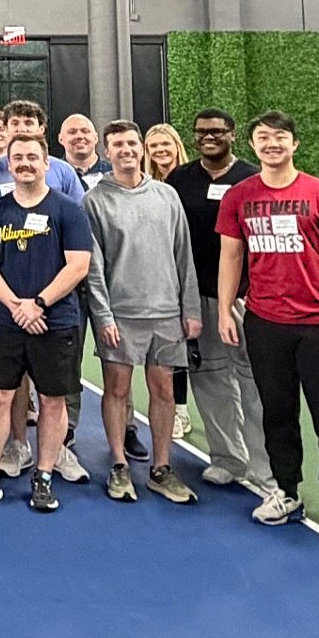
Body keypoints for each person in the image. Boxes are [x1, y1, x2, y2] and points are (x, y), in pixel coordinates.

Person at [216, 110, 319, 544]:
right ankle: (286, 490)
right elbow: (231, 256)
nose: (272, 144)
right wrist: (225, 309)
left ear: (294, 144)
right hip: (265, 324)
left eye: (280, 137)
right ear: (253, 145)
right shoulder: (239, 196)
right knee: (276, 413)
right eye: (263, 137)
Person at [0, 131, 94, 514]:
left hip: (55, 321)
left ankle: (44, 476)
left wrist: (38, 303)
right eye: (17, 157)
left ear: (46, 163)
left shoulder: (68, 209)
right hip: (5, 321)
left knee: (52, 401)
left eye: (32, 157)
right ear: (8, 162)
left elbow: (79, 265)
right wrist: (16, 306)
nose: (24, 163)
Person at [81, 120, 202, 505]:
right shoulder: (95, 201)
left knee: (164, 390)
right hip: (120, 315)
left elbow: (184, 255)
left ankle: (161, 469)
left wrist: (191, 309)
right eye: (117, 145)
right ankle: (119, 464)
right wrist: (104, 316)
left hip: (167, 314)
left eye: (132, 143)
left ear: (141, 148)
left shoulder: (167, 196)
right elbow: (93, 267)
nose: (126, 150)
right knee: (117, 390)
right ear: (107, 152)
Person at [165, 109, 273, 490]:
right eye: (201, 132)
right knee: (209, 379)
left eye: (216, 131)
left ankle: (265, 468)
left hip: (247, 297)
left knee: (254, 382)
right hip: (198, 296)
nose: (208, 137)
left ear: (232, 135)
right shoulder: (180, 179)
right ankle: (227, 458)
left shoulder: (253, 178)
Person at [144, 122, 196, 439]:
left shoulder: (192, 181)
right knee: (171, 351)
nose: (161, 151)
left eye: (166, 144)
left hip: (193, 276)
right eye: (154, 147)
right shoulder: (147, 186)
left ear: (177, 145)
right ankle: (179, 410)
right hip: (161, 282)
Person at [59, 114, 111, 188]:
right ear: (61, 139)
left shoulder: (114, 174)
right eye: (72, 132)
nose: (79, 136)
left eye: (85, 131)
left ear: (96, 138)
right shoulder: (52, 174)